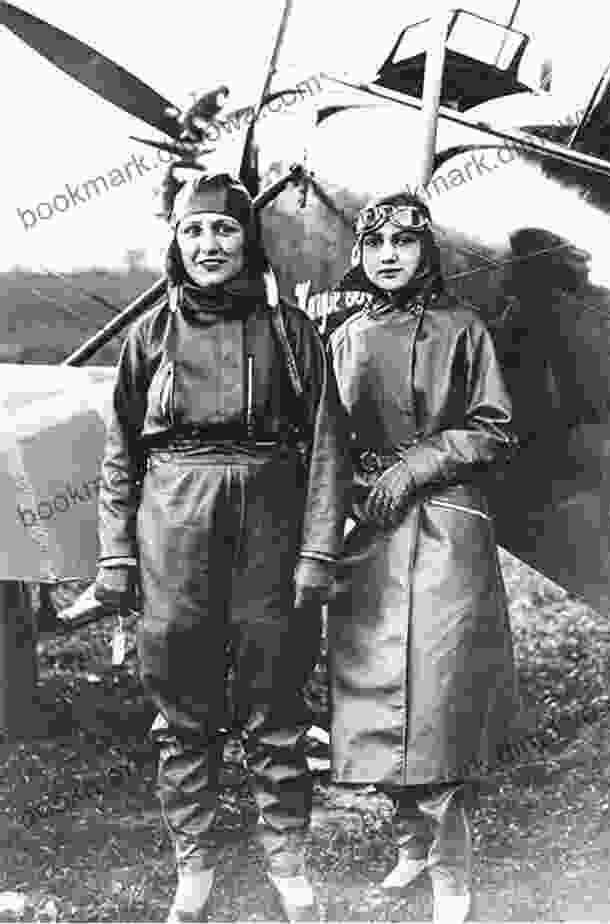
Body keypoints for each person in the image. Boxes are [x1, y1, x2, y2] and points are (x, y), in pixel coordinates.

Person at [93, 172, 350, 923]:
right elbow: (119, 458)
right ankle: (194, 867)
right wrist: (117, 557)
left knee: (277, 698)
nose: (209, 245)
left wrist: (316, 554)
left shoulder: (294, 334)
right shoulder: (148, 337)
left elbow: (328, 449)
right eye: (193, 231)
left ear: (249, 240)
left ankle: (288, 864)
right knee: (182, 703)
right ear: (175, 242)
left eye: (224, 230)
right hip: (173, 524)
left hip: (271, 522)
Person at [327, 192, 519, 923]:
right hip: (371, 535)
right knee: (375, 695)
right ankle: (410, 839)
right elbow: (327, 440)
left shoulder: (463, 330)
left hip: (444, 527)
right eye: (374, 242)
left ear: (427, 252)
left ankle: (453, 876)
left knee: (433, 702)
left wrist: (418, 465)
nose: (387, 255)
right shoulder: (344, 338)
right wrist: (351, 486)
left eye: (404, 242)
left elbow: (494, 428)